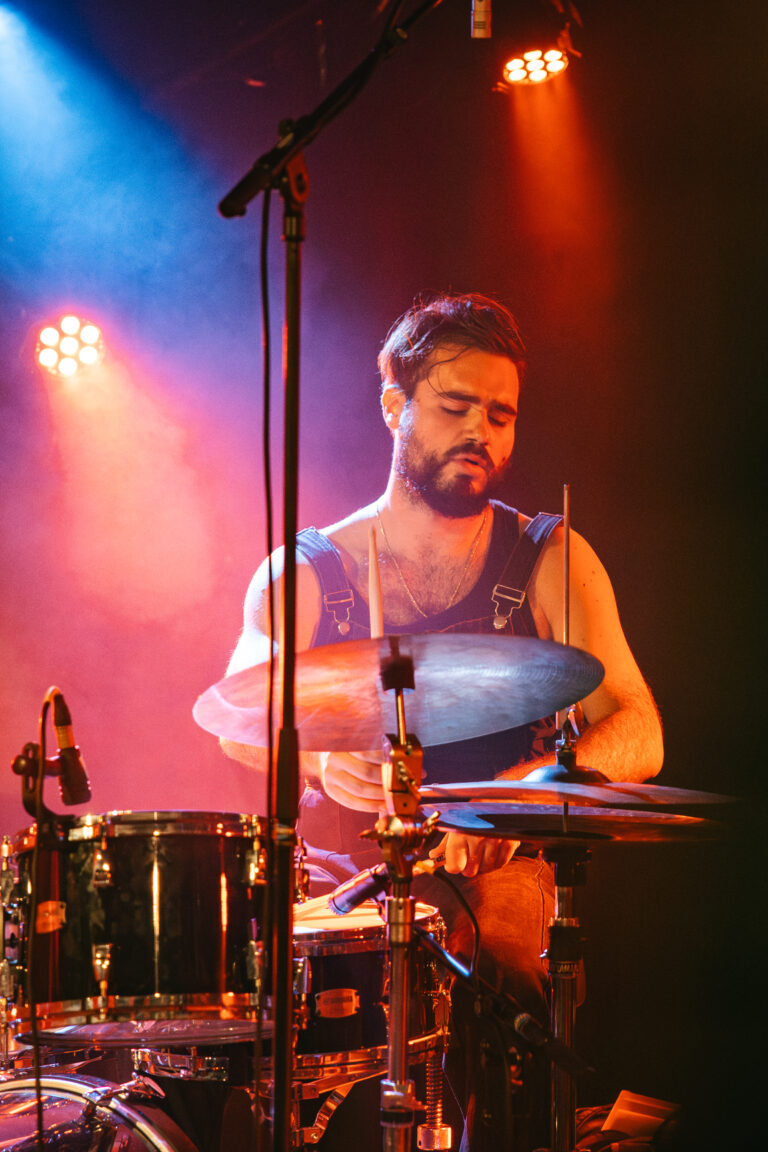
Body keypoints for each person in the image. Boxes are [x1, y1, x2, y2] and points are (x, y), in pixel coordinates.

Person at [221, 292, 664, 1150]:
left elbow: (640, 727)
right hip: (345, 873)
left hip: (498, 869)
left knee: (498, 950)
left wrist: (521, 797)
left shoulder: (548, 556)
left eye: (501, 415)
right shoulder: (306, 571)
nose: (481, 433)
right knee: (257, 976)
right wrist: (317, 760)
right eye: (457, 407)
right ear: (396, 405)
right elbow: (237, 716)